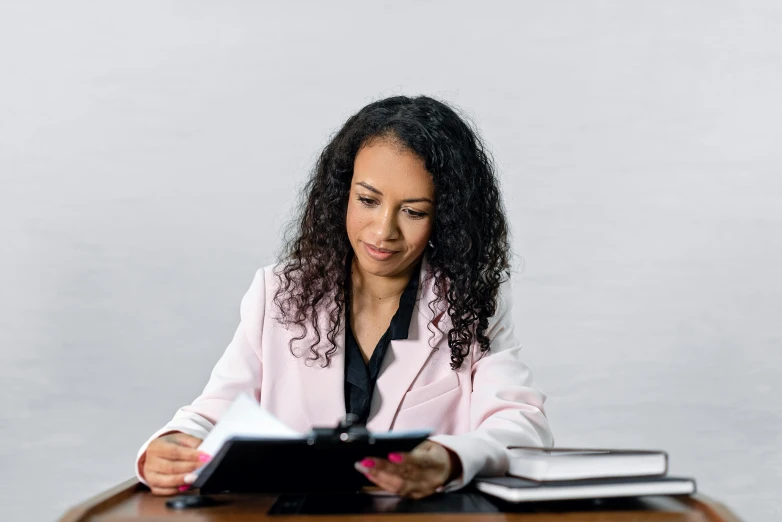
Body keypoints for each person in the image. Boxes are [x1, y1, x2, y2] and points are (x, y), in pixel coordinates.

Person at [135, 95, 554, 499]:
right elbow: (211, 414)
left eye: (413, 211)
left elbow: (522, 428)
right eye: (368, 201)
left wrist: (449, 458)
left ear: (446, 217)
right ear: (342, 194)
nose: (382, 231)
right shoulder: (277, 291)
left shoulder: (474, 299)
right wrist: (171, 444)